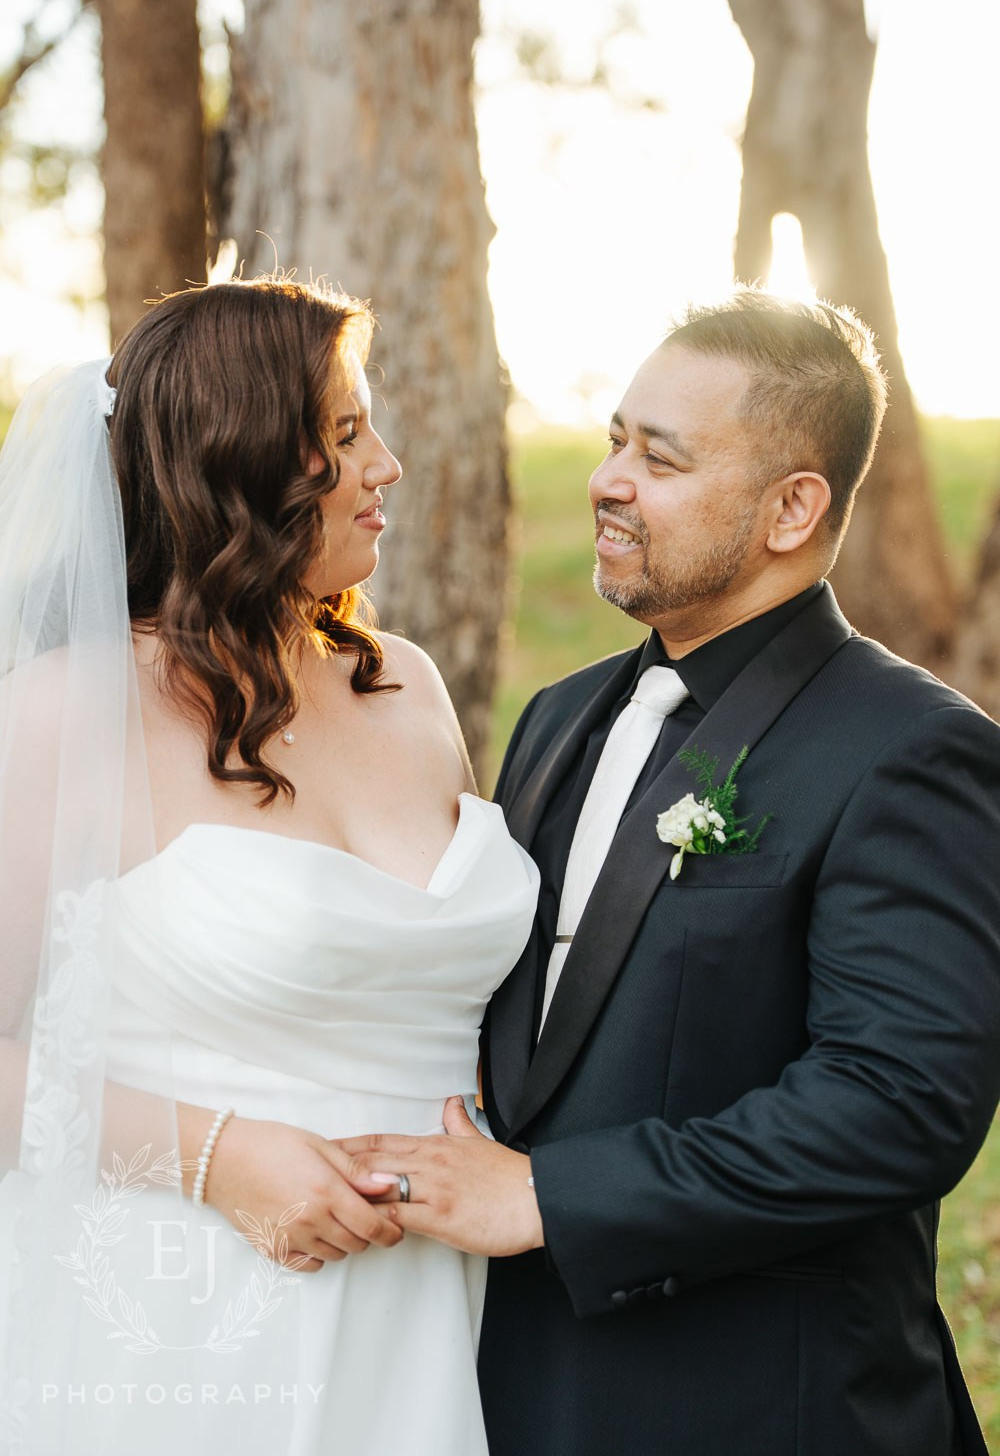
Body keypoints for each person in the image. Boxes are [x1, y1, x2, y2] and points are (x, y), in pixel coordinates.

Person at [342, 289, 1000, 1455]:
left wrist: (547, 1197)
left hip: (764, 1410)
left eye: (661, 457)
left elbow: (897, 1106)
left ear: (792, 507)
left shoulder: (912, 750)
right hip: (516, 1390)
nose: (606, 479)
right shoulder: (559, 718)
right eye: (612, 439)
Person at [0, 276, 538, 1454]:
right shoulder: (64, 713)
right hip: (189, 1311)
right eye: (344, 437)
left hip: (445, 1311)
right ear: (237, 467)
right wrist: (217, 1160)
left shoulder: (403, 684)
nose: (387, 465)